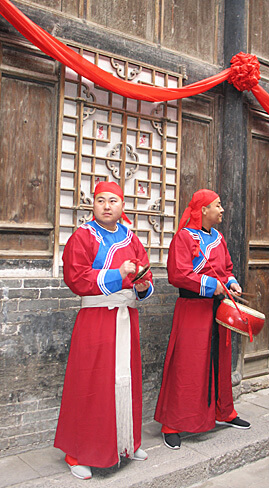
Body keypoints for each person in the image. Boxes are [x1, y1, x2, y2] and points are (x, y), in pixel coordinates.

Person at [54, 181, 153, 479]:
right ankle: (78, 452)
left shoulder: (132, 238)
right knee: (90, 383)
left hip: (126, 316)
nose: (107, 205)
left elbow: (144, 270)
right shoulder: (83, 236)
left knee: (128, 378)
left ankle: (127, 440)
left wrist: (143, 285)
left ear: (122, 206)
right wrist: (117, 274)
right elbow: (76, 276)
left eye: (113, 200)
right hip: (96, 317)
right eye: (100, 200)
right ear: (92, 205)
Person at [154, 189, 250, 450]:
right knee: (187, 365)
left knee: (220, 360)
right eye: (217, 205)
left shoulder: (218, 238)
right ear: (203, 210)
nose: (221, 210)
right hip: (193, 309)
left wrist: (232, 283)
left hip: (218, 310)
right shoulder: (184, 237)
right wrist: (212, 285)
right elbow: (178, 274)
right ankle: (172, 423)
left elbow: (226, 268)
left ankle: (223, 412)